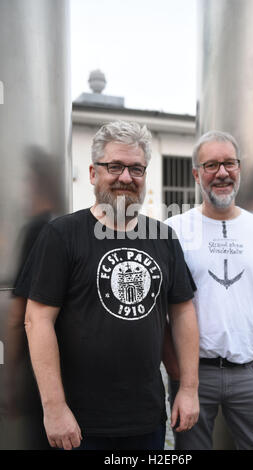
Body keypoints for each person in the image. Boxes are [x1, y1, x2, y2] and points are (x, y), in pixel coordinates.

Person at [14, 120, 199, 451]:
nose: (126, 178)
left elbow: (183, 312)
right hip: (80, 425)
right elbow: (37, 320)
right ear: (92, 173)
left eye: (136, 169)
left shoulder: (163, 238)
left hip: (147, 418)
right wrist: (54, 408)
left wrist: (188, 388)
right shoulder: (61, 235)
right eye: (115, 166)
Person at [164, 130, 253, 450]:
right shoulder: (174, 231)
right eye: (211, 165)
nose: (222, 173)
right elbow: (161, 311)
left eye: (229, 164)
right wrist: (178, 374)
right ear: (196, 174)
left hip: (250, 375)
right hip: (193, 377)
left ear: (239, 169)